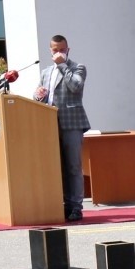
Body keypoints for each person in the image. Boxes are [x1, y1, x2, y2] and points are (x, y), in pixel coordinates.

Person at [35, 35, 89, 221]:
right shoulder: (45, 72)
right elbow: (40, 97)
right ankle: (61, 204)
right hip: (50, 125)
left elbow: (75, 86)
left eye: (62, 49)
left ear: (68, 50)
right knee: (56, 167)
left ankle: (76, 207)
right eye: (55, 50)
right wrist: (38, 95)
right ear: (50, 50)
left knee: (73, 166)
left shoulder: (77, 68)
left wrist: (63, 65)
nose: (59, 53)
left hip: (71, 122)